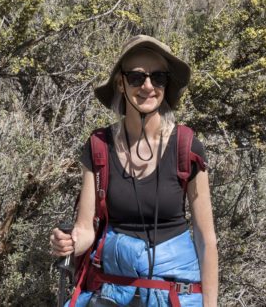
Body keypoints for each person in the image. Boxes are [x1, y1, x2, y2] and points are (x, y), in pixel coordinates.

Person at [49, 35, 218, 307]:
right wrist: (68, 243)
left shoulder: (187, 147)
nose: (148, 86)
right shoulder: (99, 147)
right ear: (121, 83)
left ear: (166, 84)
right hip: (112, 290)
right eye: (137, 77)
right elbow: (85, 229)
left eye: (158, 77)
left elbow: (206, 239)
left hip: (175, 294)